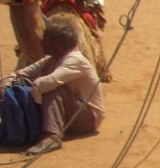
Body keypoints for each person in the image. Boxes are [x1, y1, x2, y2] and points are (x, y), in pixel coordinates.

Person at [0, 17, 104, 155]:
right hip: (69, 113)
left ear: (59, 43)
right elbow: (20, 74)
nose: (42, 42)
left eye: (47, 39)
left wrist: (36, 105)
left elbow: (46, 83)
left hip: (87, 118)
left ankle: (51, 137)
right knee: (20, 84)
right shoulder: (51, 60)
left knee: (53, 90)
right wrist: (5, 86)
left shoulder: (75, 60)